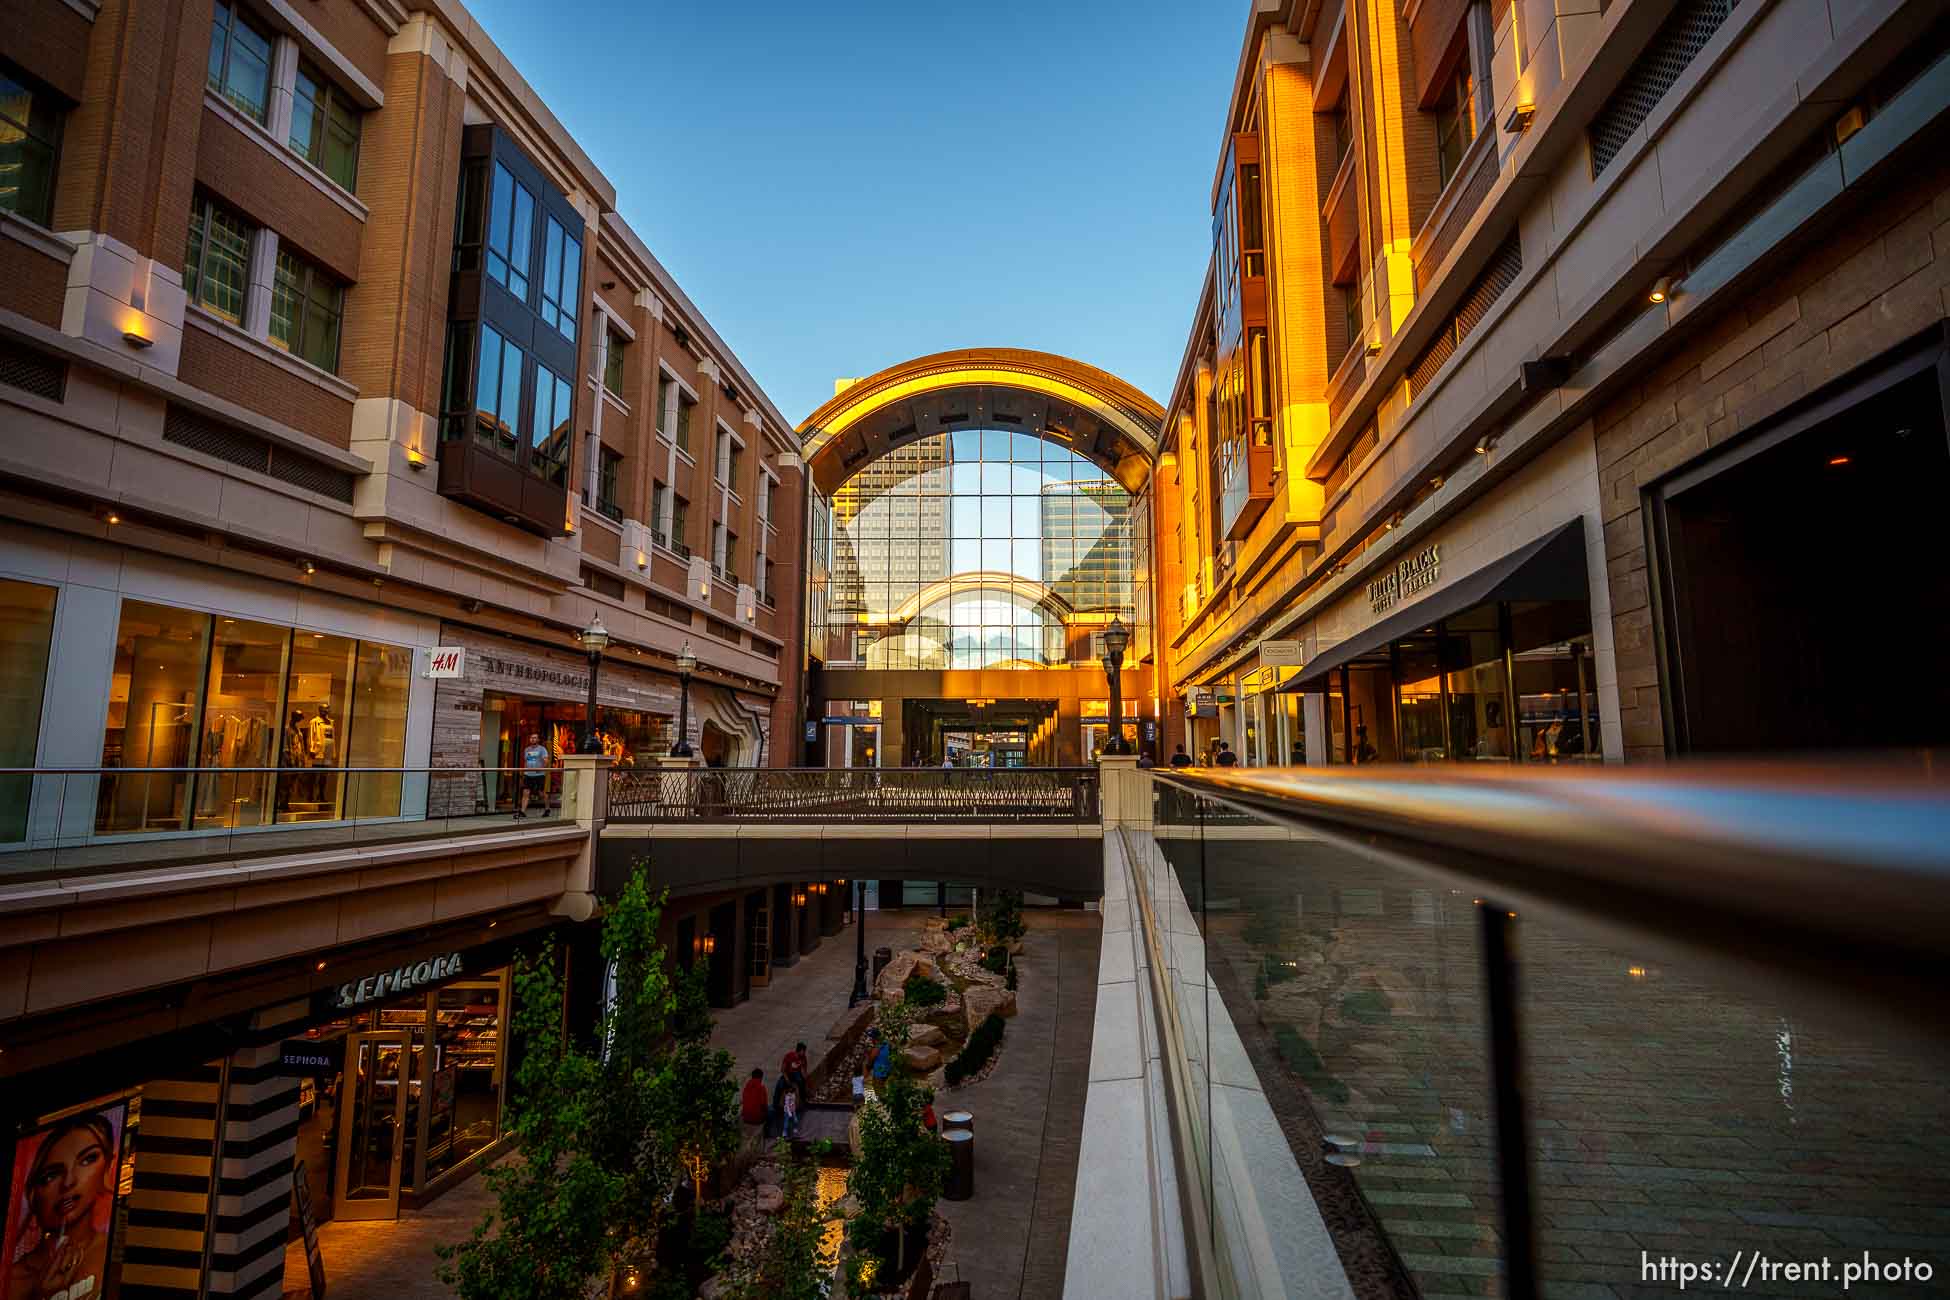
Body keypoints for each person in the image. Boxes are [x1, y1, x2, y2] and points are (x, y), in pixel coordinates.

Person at [8, 1112, 118, 1300]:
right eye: (51, 1176)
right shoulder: (13, 1281)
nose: (68, 1182)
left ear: (107, 1167)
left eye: (87, 1159)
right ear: (34, 1193)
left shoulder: (114, 1255)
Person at [516, 732, 549, 819]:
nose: (533, 739)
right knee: (525, 792)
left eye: (535, 738)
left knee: (541, 793)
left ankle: (547, 808)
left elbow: (546, 761)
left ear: (538, 740)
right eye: (531, 738)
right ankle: (522, 812)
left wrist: (541, 768)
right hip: (528, 774)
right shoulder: (527, 750)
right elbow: (526, 762)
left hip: (539, 775)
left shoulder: (542, 749)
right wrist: (524, 772)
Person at [740, 1068, 769, 1144]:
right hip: (757, 1119)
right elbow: (764, 1105)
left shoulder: (746, 1087)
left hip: (746, 1118)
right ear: (761, 1077)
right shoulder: (761, 1087)